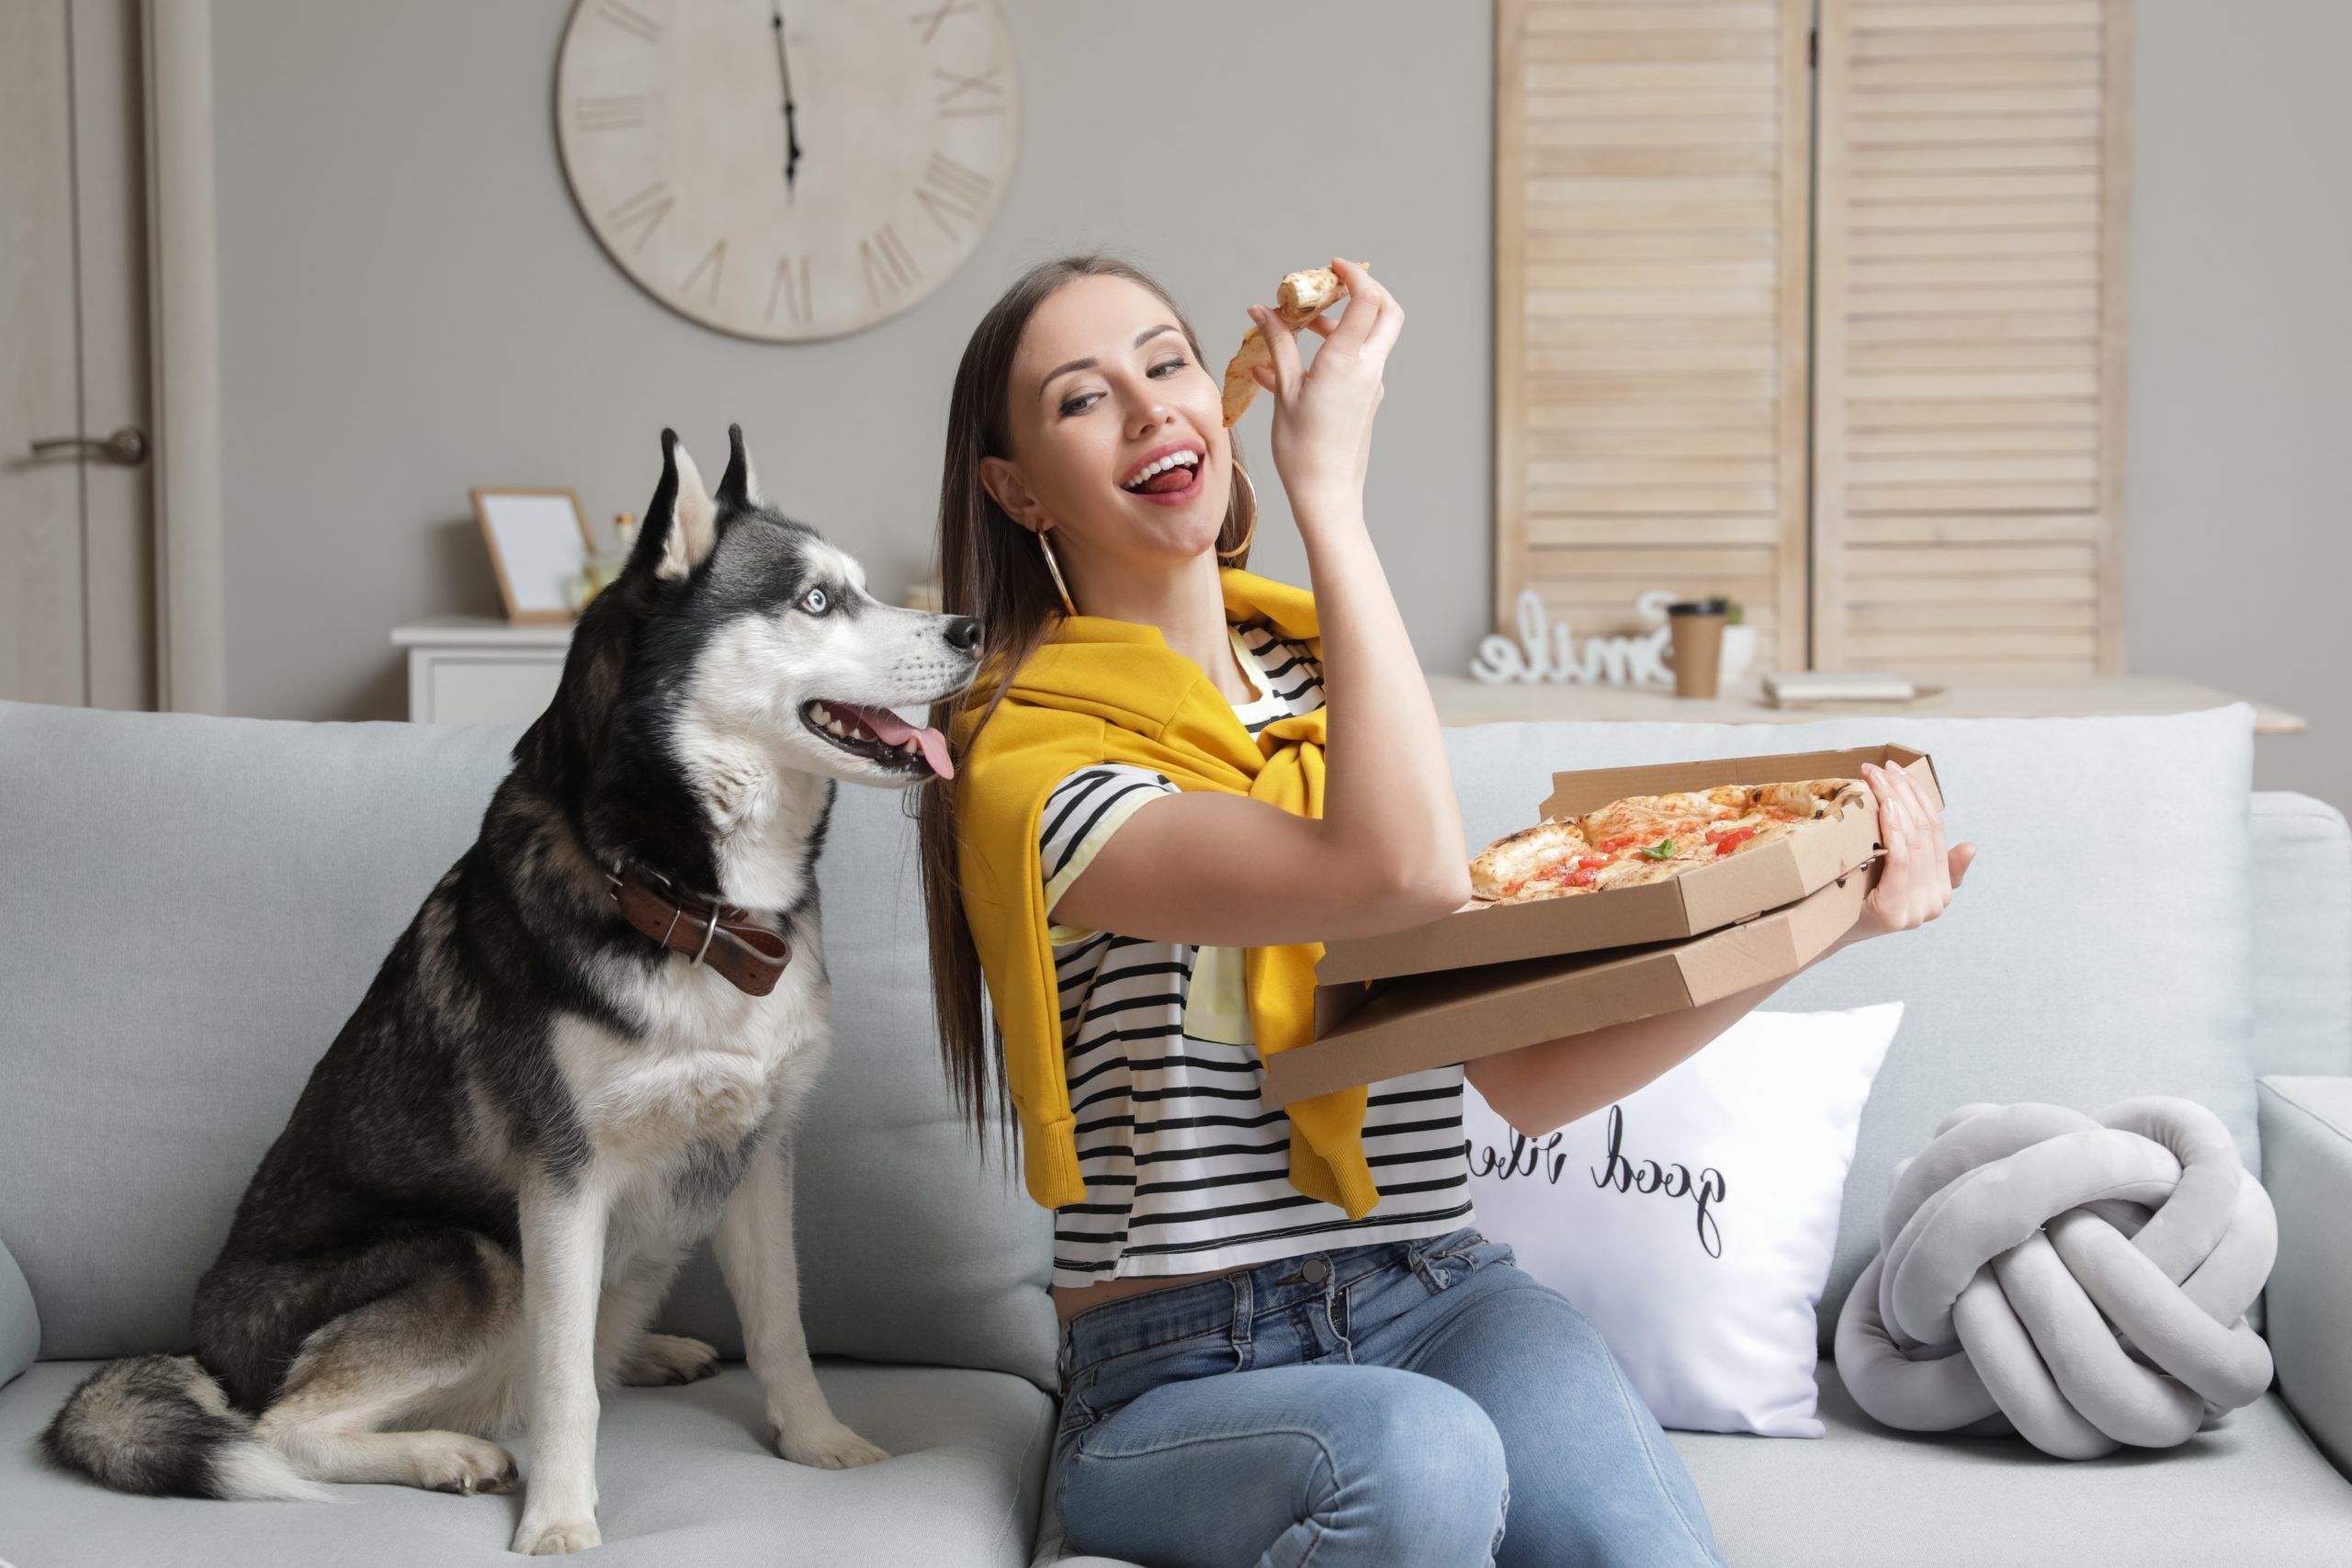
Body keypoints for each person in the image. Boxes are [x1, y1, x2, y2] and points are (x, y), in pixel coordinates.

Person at [917, 253, 1975, 1568]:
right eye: (1083, 399)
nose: (1148, 409)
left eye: (1168, 361)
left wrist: (1827, 915)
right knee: (1423, 1458)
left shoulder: (1329, 686)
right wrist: (1332, 499)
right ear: (1016, 488)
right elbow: (1401, 877)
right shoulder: (1027, 762)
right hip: (1177, 1369)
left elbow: (1525, 1071)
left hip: (1438, 1290)